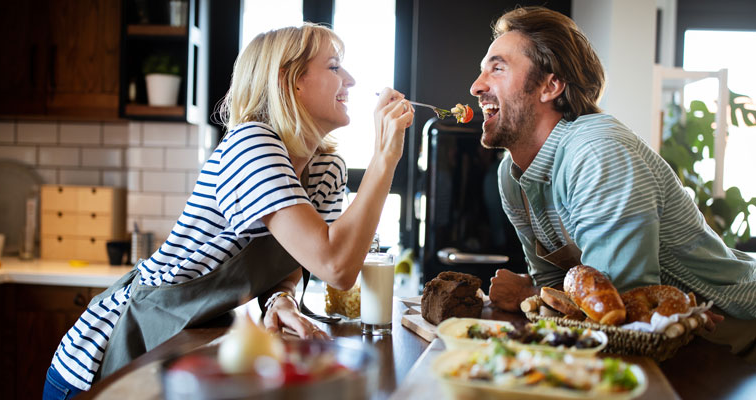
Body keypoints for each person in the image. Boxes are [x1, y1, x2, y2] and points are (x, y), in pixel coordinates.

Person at [43, 23, 413, 399]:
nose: (349, 79)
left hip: (185, 340)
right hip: (104, 354)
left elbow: (300, 257)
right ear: (289, 80)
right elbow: (336, 266)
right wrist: (384, 157)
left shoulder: (325, 168)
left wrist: (281, 297)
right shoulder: (251, 144)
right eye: (334, 66)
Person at [471, 6, 756, 360]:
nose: (476, 86)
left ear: (550, 85)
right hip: (669, 345)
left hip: (737, 332)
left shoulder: (597, 151)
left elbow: (619, 312)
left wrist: (527, 291)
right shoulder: (511, 177)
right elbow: (554, 291)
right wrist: (537, 291)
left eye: (497, 68)